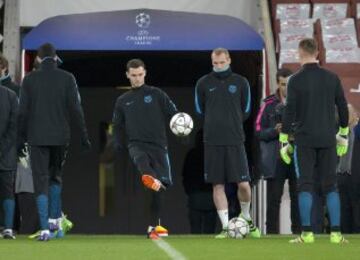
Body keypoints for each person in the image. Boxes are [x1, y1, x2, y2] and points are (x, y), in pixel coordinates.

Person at [18, 43, 91, 241]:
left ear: (39, 59)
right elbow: (76, 109)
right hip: (61, 137)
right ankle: (54, 223)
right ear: (55, 57)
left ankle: (44, 230)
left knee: (40, 180)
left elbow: (22, 112)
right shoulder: (68, 78)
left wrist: (20, 139)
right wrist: (83, 136)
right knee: (55, 176)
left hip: (36, 137)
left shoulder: (30, 80)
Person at [280, 38, 349, 243]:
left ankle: (307, 234)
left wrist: (284, 139)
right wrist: (343, 133)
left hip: (305, 140)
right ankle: (336, 234)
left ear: (299, 53)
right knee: (331, 185)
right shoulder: (332, 77)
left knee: (305, 185)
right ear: (317, 53)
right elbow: (342, 107)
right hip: (328, 138)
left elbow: (289, 110)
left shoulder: (295, 80)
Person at [194, 47, 260, 238]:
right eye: (215, 63)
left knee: (244, 184)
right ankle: (225, 227)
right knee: (218, 185)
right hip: (212, 141)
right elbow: (199, 110)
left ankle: (246, 217)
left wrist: (231, 123)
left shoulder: (241, 82)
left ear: (229, 60)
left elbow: (246, 110)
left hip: (235, 140)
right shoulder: (203, 83)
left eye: (222, 62)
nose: (219, 66)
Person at [112, 59, 179, 238]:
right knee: (145, 167)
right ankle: (148, 175)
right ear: (127, 75)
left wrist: (182, 127)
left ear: (145, 73)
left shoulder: (157, 94)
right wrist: (117, 143)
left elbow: (174, 114)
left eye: (140, 75)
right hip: (136, 145)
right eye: (133, 75)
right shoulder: (122, 100)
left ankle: (153, 227)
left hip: (159, 147)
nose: (137, 79)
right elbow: (117, 125)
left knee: (159, 188)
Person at [256, 68, 300, 234]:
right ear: (277, 83)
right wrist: (275, 131)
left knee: (297, 197)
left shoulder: (301, 102)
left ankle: (298, 232)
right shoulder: (267, 104)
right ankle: (272, 233)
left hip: (296, 155)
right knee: (274, 199)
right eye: (283, 84)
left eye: (289, 84)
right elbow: (258, 131)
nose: (286, 88)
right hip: (275, 159)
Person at [182, 130, 217, 234]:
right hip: (206, 195)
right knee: (208, 230)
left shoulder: (192, 154)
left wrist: (189, 191)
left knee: (196, 230)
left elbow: (185, 176)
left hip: (199, 195)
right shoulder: (213, 154)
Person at [337, 104, 360, 233]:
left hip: (355, 176)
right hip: (341, 175)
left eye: (348, 112)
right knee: (343, 210)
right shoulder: (340, 133)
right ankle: (344, 234)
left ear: (355, 115)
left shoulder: (357, 131)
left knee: (356, 208)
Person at [0, 83, 18, 239]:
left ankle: (7, 228)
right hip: (6, 154)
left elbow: (14, 127)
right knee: (7, 191)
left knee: (7, 191)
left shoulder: (11, 95)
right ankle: (7, 228)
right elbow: (13, 128)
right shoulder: (11, 95)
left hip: (5, 154)